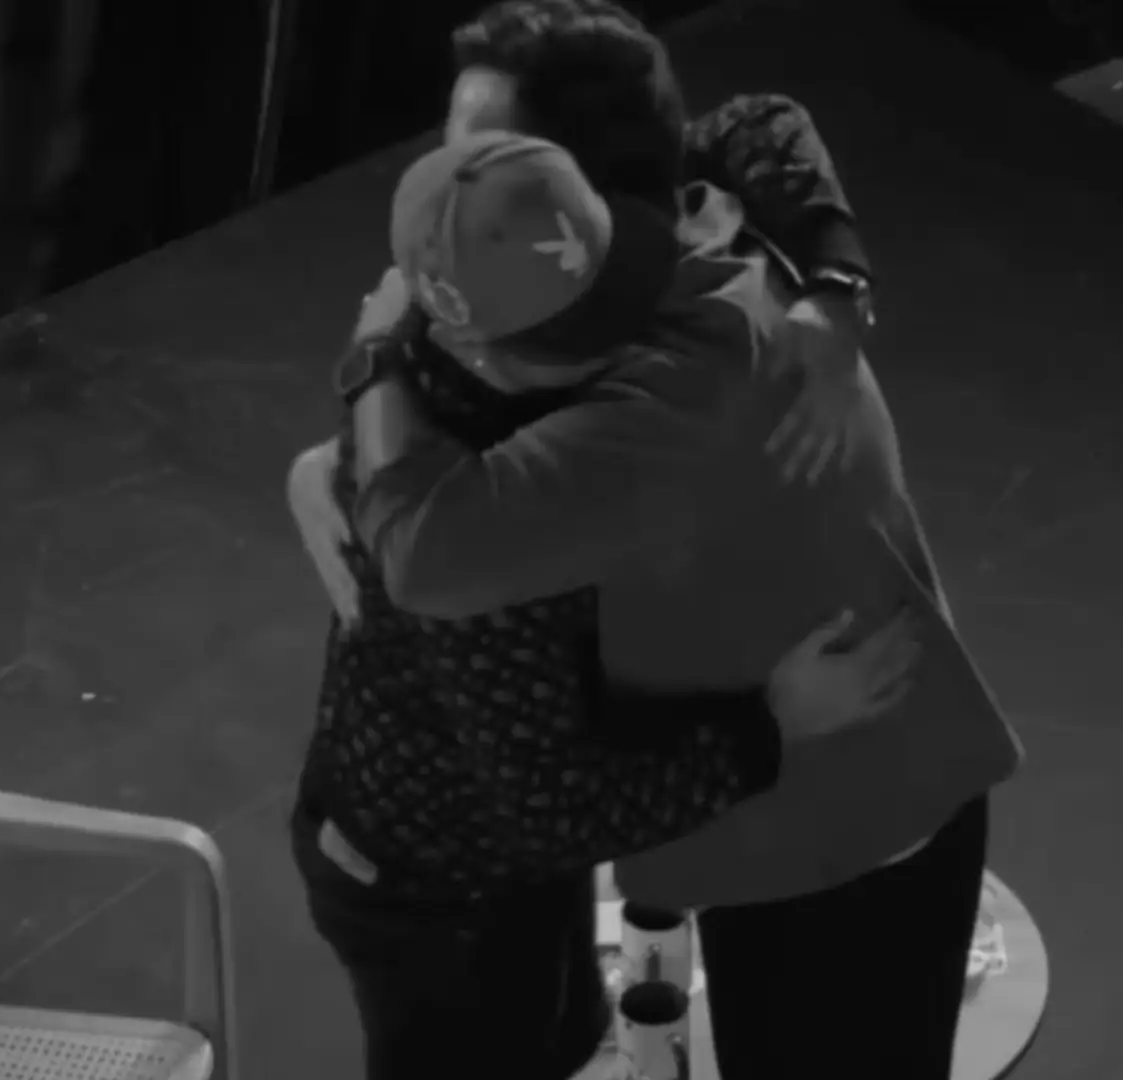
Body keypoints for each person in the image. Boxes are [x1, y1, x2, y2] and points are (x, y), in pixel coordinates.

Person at [282, 5, 912, 1079]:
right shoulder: (490, 518)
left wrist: (835, 282)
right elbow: (553, 810)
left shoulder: (488, 270)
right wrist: (770, 730)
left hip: (494, 874)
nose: (465, 176)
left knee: (564, 1034)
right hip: (441, 894)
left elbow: (763, 122)